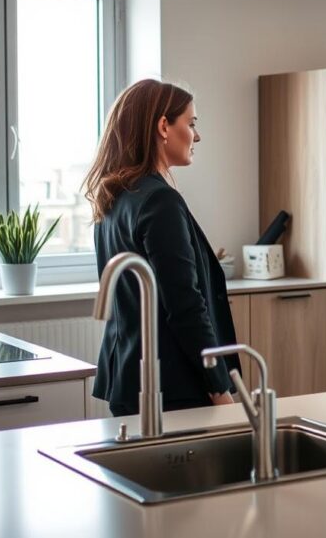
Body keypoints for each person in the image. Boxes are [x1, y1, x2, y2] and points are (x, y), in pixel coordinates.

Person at [83, 79, 239, 416]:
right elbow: (185, 305)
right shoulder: (160, 201)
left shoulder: (113, 199)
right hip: (172, 386)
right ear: (163, 126)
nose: (196, 136)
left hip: (128, 381)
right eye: (191, 123)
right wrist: (219, 387)